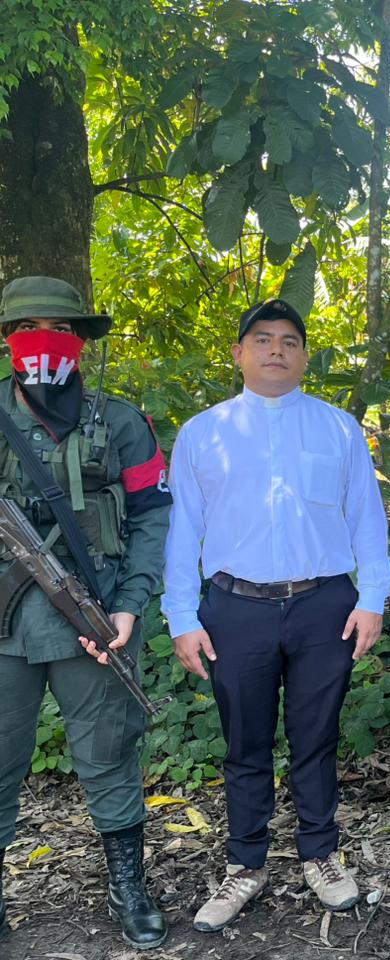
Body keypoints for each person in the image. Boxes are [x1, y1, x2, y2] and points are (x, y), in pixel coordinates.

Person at [161, 299, 390, 931]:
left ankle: (320, 854)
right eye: (261, 340)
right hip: (236, 607)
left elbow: (366, 521)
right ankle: (246, 864)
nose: (275, 350)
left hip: (324, 604)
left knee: (316, 737)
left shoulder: (337, 428)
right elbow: (183, 529)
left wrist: (372, 596)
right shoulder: (203, 432)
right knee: (245, 740)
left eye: (289, 341)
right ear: (239, 353)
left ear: (304, 356)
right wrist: (181, 614)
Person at [0, 277, 172, 948]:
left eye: (57, 329)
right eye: (28, 329)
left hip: (94, 622)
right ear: (11, 342)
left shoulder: (122, 422)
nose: (44, 343)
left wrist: (129, 606)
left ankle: (127, 883)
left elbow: (155, 518)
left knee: (108, 754)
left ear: (80, 341)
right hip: (4, 630)